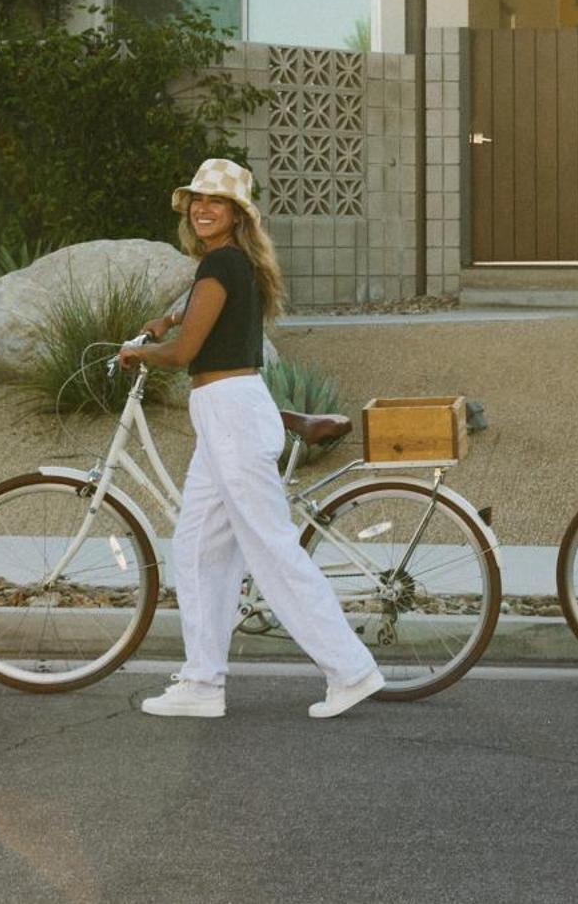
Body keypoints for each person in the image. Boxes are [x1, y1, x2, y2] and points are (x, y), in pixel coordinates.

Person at [119, 158, 384, 720]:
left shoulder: (221, 265)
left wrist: (138, 351)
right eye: (197, 199)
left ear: (237, 214)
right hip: (223, 414)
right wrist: (163, 323)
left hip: (232, 416)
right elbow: (194, 317)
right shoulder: (228, 265)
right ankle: (202, 682)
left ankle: (351, 670)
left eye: (216, 201)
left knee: (270, 550)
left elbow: (187, 352)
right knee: (196, 546)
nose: (203, 207)